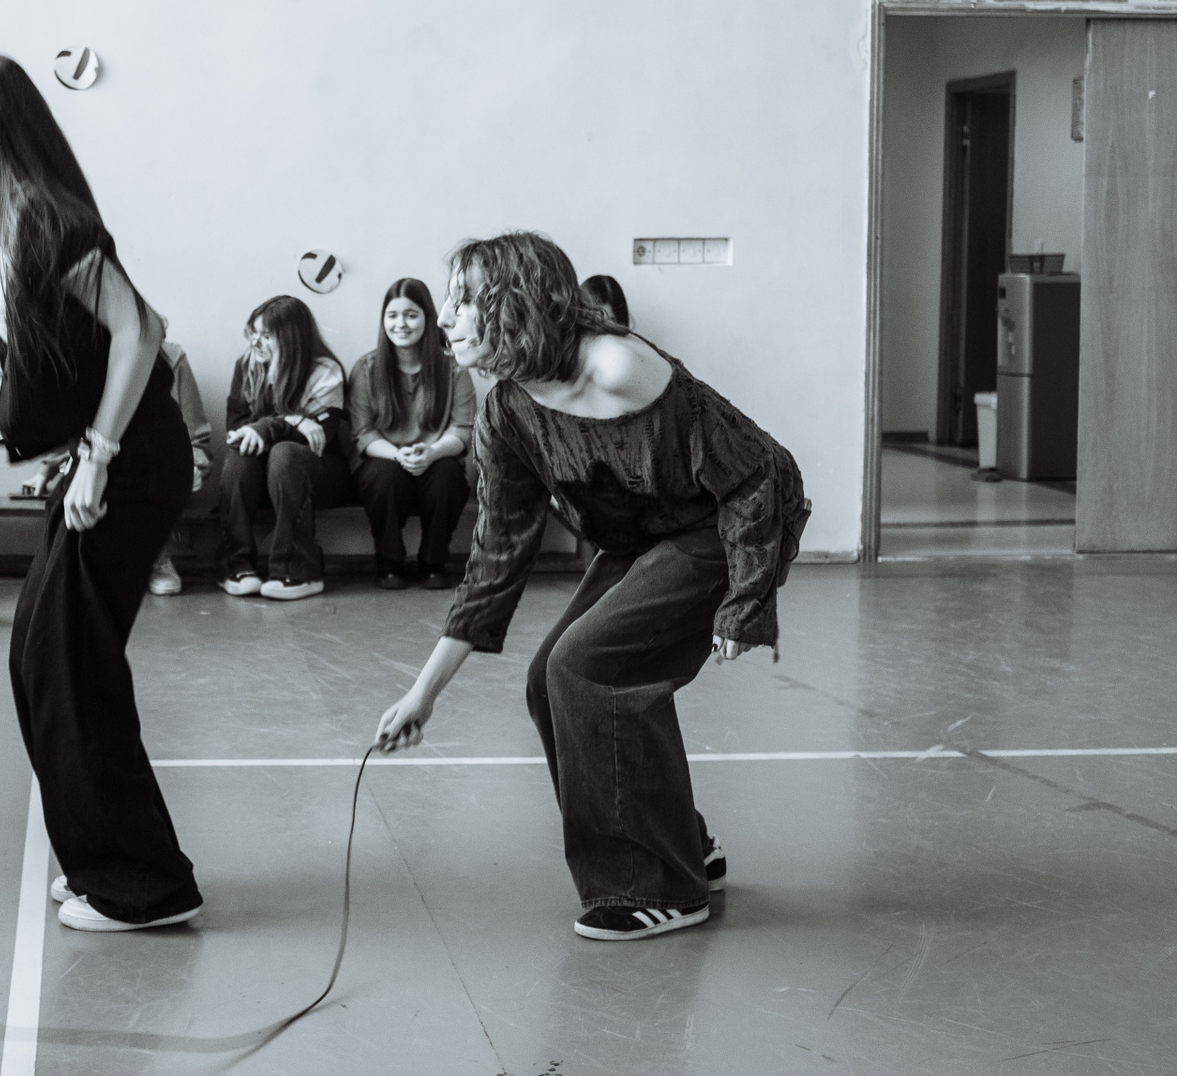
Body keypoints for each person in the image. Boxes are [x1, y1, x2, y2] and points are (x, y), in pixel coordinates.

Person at [376, 232, 810, 942]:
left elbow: (757, 470)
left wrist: (747, 596)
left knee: (587, 667)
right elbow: (495, 559)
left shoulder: (617, 366)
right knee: (547, 679)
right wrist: (424, 693)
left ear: (513, 303)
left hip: (715, 529)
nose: (445, 317)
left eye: (463, 300)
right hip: (645, 541)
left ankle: (658, 885)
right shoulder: (507, 411)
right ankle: (682, 841)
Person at [0, 55, 200, 932]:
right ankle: (106, 862)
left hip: (133, 464)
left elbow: (141, 330)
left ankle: (144, 884)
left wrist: (97, 454)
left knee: (70, 666)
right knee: (42, 656)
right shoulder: (8, 221)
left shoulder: (45, 217)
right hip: (108, 460)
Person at [19, 337, 210, 596]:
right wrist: (46, 470)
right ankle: (87, 568)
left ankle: (156, 556)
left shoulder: (172, 357)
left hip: (155, 461)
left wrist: (194, 464)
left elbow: (196, 436)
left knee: (141, 465)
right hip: (100, 459)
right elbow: (77, 429)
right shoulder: (90, 352)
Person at [216, 295, 351, 601]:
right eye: (254, 332)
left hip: (318, 473)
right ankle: (235, 566)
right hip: (263, 475)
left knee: (285, 453)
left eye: (266, 335)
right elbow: (238, 431)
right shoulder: (247, 365)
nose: (255, 342)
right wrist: (293, 419)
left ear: (290, 339)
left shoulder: (325, 371)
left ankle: (299, 570)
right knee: (240, 455)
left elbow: (319, 438)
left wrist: (269, 426)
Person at [346, 277, 476, 589]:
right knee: (382, 477)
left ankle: (433, 563)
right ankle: (389, 563)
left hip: (437, 458)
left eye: (411, 315)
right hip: (385, 459)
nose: (401, 324)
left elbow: (463, 429)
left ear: (428, 318)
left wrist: (431, 452)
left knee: (448, 476)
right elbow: (362, 432)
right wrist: (397, 454)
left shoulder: (454, 368)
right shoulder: (366, 368)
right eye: (392, 315)